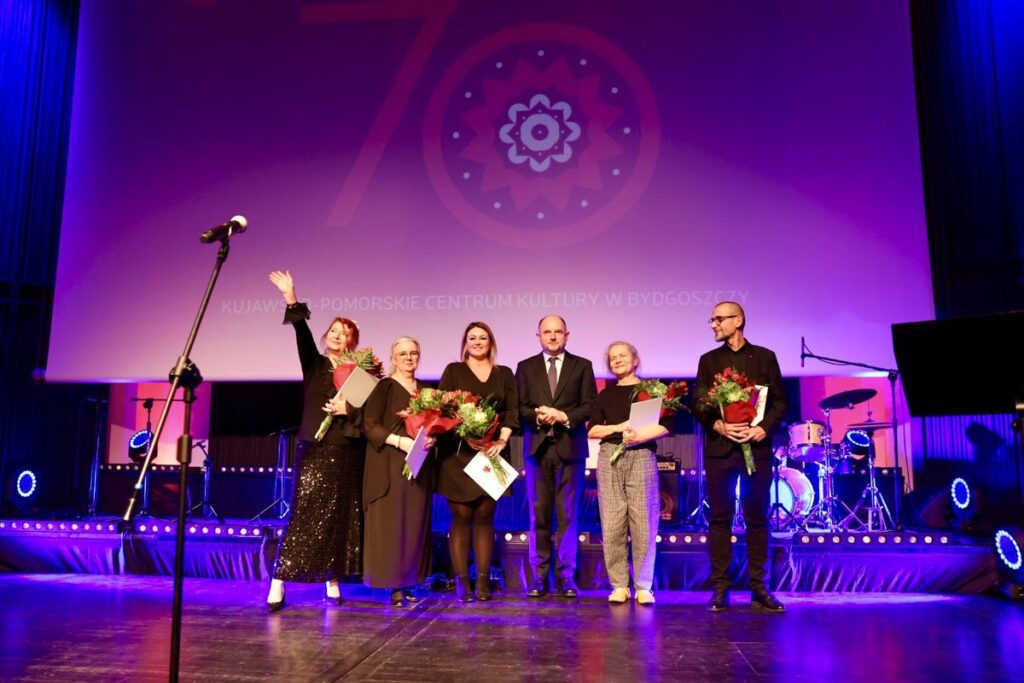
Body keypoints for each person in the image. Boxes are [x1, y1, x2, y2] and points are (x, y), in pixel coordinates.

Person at [265, 270, 365, 611]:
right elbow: (301, 331)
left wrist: (347, 407)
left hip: (348, 449)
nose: (338, 335)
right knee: (305, 515)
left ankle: (332, 580)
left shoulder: (361, 373)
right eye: (334, 331)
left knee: (338, 517)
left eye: (345, 332)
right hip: (316, 448)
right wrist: (290, 297)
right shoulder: (316, 363)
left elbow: (366, 414)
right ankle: (278, 581)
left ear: (353, 341)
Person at [694, 301, 787, 613]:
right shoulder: (709, 360)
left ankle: (760, 588)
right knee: (719, 518)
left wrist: (763, 429)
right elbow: (699, 402)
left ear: (739, 320)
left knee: (757, 518)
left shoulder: (764, 357)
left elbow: (779, 402)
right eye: (712, 320)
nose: (713, 325)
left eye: (718, 319)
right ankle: (720, 589)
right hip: (721, 451)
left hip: (756, 450)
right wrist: (717, 423)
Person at [514, 315, 597, 598]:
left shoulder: (582, 366)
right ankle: (539, 577)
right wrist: (540, 416)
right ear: (537, 336)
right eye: (546, 332)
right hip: (537, 450)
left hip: (570, 449)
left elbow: (589, 406)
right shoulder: (525, 367)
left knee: (568, 516)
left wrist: (563, 416)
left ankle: (566, 576)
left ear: (567, 335)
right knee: (538, 516)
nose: (552, 336)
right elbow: (519, 408)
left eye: (557, 332)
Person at [436, 322, 519, 602]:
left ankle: (482, 582)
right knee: (461, 517)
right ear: (465, 343)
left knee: (485, 517)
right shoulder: (453, 370)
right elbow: (443, 409)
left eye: (483, 338)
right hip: (458, 453)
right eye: (472, 338)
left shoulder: (504, 374)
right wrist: (467, 434)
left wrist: (501, 441)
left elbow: (512, 411)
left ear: (491, 342)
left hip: (492, 452)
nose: (477, 342)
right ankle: (462, 582)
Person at [587, 342, 669, 605]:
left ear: (635, 359)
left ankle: (644, 585)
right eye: (612, 358)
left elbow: (666, 425)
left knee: (643, 520)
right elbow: (592, 430)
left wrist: (638, 436)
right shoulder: (604, 396)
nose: (617, 361)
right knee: (612, 522)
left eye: (623, 356)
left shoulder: (651, 390)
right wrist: (620, 427)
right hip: (610, 456)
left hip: (642, 454)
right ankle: (619, 585)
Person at [361, 337, 434, 607]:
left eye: (414, 353)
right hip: (389, 463)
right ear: (392, 358)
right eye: (402, 353)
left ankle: (411, 580)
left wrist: (431, 438)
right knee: (393, 524)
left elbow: (433, 424)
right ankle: (395, 586)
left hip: (417, 464)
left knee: (413, 522)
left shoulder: (426, 391)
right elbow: (370, 426)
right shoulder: (383, 387)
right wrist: (400, 441)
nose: (408, 358)